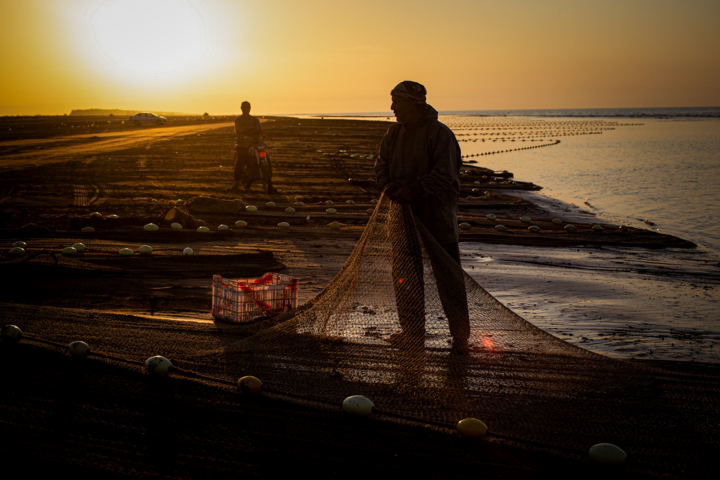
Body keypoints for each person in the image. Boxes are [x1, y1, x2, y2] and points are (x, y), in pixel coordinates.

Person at [374, 80, 470, 352]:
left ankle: (461, 337)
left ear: (414, 104)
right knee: (405, 277)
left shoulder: (440, 134)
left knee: (449, 279)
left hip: (437, 220)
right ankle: (412, 333)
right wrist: (390, 187)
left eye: (397, 102)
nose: (392, 107)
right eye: (392, 101)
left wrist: (415, 188)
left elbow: (445, 175)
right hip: (403, 219)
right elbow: (380, 167)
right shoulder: (393, 135)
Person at [233, 101, 263, 191]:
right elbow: (239, 130)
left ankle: (268, 180)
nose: (246, 109)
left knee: (263, 158)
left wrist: (247, 129)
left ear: (250, 108)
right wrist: (251, 128)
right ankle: (236, 182)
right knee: (240, 161)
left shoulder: (255, 120)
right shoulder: (238, 120)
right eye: (244, 107)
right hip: (242, 144)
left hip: (255, 143)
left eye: (248, 107)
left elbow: (259, 129)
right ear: (241, 108)